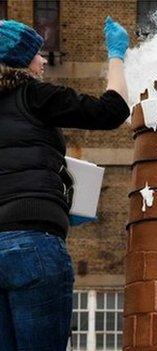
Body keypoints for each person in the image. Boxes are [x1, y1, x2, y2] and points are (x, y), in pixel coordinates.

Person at [0, 17, 130, 350]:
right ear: (20, 60)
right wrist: (117, 55)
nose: (43, 60)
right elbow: (111, 111)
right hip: (34, 243)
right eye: (36, 54)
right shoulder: (34, 95)